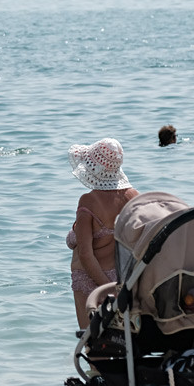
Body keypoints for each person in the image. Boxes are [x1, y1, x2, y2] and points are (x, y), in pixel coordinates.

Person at [67, 139, 139, 329]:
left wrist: (105, 287)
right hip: (121, 277)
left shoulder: (89, 201)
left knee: (91, 340)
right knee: (121, 340)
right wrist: (118, 289)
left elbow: (85, 254)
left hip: (90, 278)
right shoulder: (133, 196)